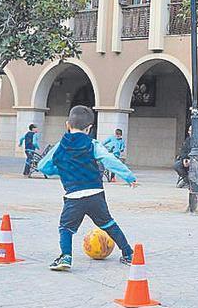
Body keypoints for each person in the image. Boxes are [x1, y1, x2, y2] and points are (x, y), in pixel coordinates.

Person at [37, 105, 138, 271]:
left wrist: (61, 170)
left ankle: (66, 257)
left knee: (66, 228)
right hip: (95, 194)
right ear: (89, 128)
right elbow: (109, 159)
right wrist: (129, 177)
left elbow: (43, 166)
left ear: (67, 124)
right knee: (108, 224)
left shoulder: (59, 147)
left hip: (73, 196)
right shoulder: (92, 144)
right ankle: (128, 253)